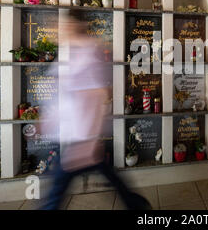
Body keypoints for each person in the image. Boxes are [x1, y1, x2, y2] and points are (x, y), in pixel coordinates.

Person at [41, 11, 151, 210]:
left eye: (64, 26)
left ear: (76, 27)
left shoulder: (86, 54)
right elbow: (65, 95)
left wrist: (91, 138)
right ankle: (136, 205)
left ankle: (136, 205)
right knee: (105, 174)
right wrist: (49, 121)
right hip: (72, 132)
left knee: (57, 189)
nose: (59, 30)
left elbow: (97, 94)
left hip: (80, 134)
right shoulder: (68, 51)